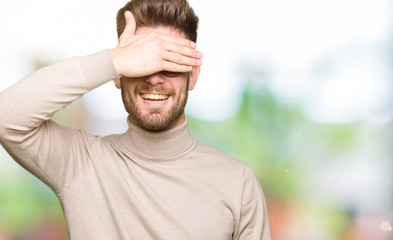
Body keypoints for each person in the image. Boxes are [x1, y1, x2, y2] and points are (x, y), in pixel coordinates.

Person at [0, 0, 272, 239]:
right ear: (119, 74)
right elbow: (6, 115)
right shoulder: (80, 163)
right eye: (142, 61)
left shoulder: (238, 181)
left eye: (170, 62)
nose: (154, 76)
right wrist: (111, 60)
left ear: (194, 75)